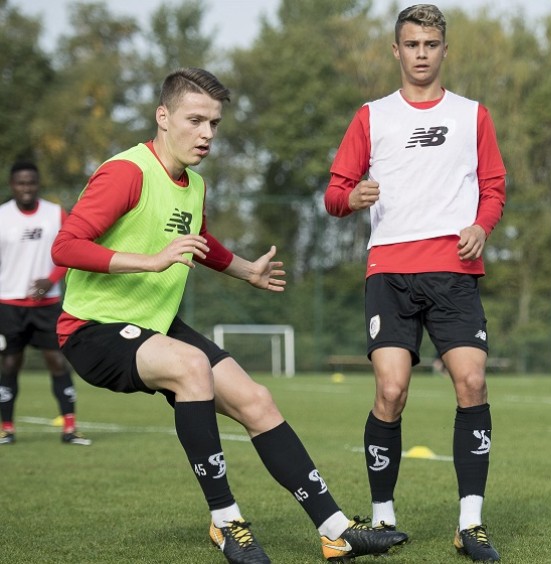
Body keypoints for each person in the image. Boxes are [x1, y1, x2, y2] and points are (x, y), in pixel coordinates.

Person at [51, 67, 407, 564]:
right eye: (195, 120)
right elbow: (65, 245)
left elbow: (198, 241)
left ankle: (336, 532)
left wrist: (245, 270)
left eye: (214, 123)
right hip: (92, 329)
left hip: (154, 325)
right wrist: (150, 260)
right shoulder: (126, 172)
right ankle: (226, 522)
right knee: (191, 368)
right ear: (162, 117)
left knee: (256, 400)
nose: (206, 134)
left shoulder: (192, 184)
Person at [324, 5, 506, 562]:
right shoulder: (371, 116)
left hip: (453, 271)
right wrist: (351, 198)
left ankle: (469, 523)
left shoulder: (473, 115)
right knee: (391, 391)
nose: (421, 53)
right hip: (391, 271)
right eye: (412, 44)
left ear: (444, 50)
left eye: (431, 44)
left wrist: (481, 225)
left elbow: (494, 187)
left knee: (471, 383)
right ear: (396, 51)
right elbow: (334, 193)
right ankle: (382, 517)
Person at [0, 161, 91, 446]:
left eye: (31, 183)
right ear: (13, 185)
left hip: (48, 305)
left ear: (37, 184)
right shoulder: (2, 216)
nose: (26, 188)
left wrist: (50, 279)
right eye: (21, 183)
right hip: (9, 303)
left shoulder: (55, 214)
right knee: (10, 364)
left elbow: (73, 251)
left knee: (57, 362)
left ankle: (70, 428)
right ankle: (6, 429)